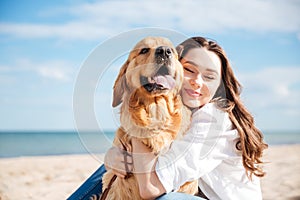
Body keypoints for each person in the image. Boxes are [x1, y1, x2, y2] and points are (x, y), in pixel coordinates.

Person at [68, 37, 268, 200]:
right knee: (119, 162)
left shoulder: (212, 118)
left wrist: (138, 116)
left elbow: (150, 187)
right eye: (189, 70)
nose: (197, 82)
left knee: (164, 198)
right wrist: (112, 157)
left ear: (219, 86)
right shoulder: (180, 111)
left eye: (209, 77)